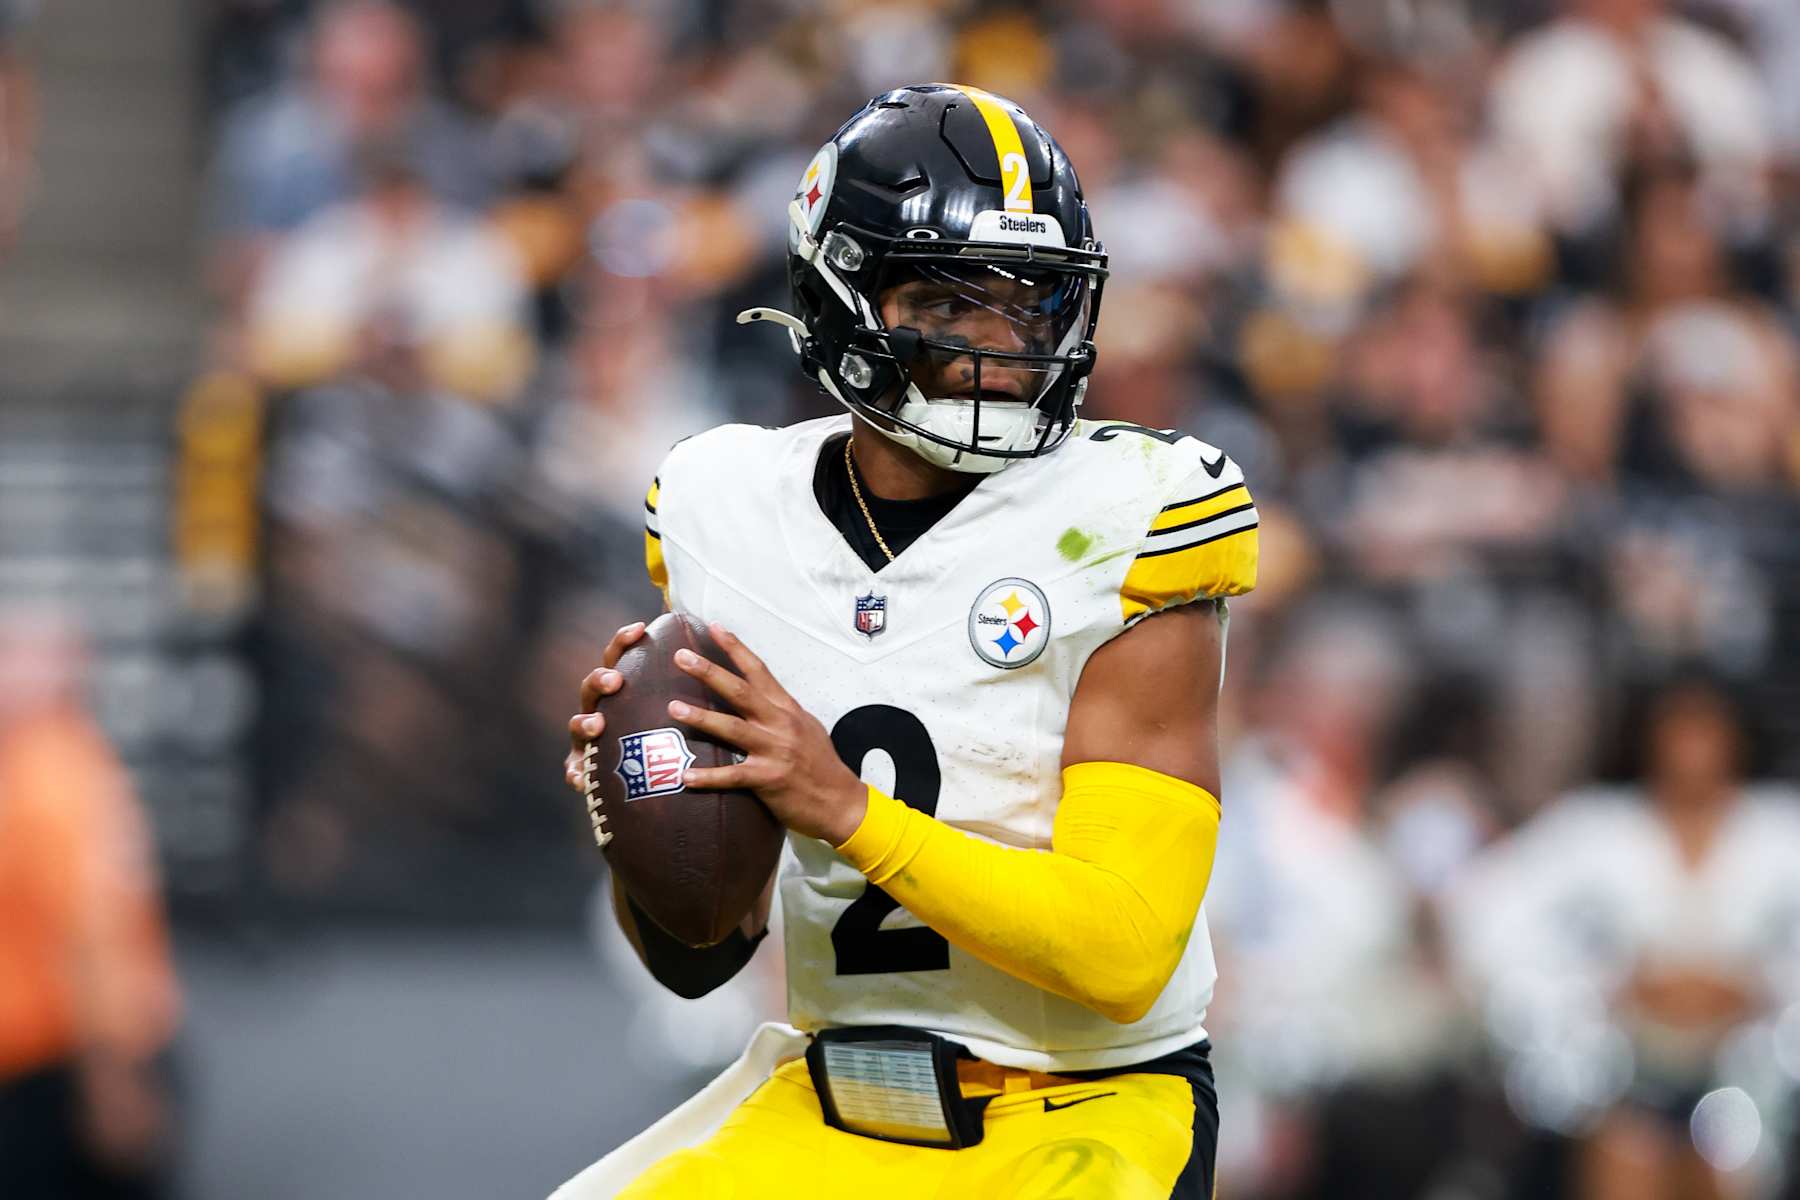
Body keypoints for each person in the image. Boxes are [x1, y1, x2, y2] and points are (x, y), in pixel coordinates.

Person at [554, 84, 1258, 1199]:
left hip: (1078, 1106)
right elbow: (700, 962)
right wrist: (642, 828)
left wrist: (844, 810)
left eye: (1029, 306)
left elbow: (1125, 951)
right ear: (836, 296)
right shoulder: (720, 504)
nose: (999, 348)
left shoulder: (1137, 511)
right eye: (946, 301)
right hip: (827, 1103)